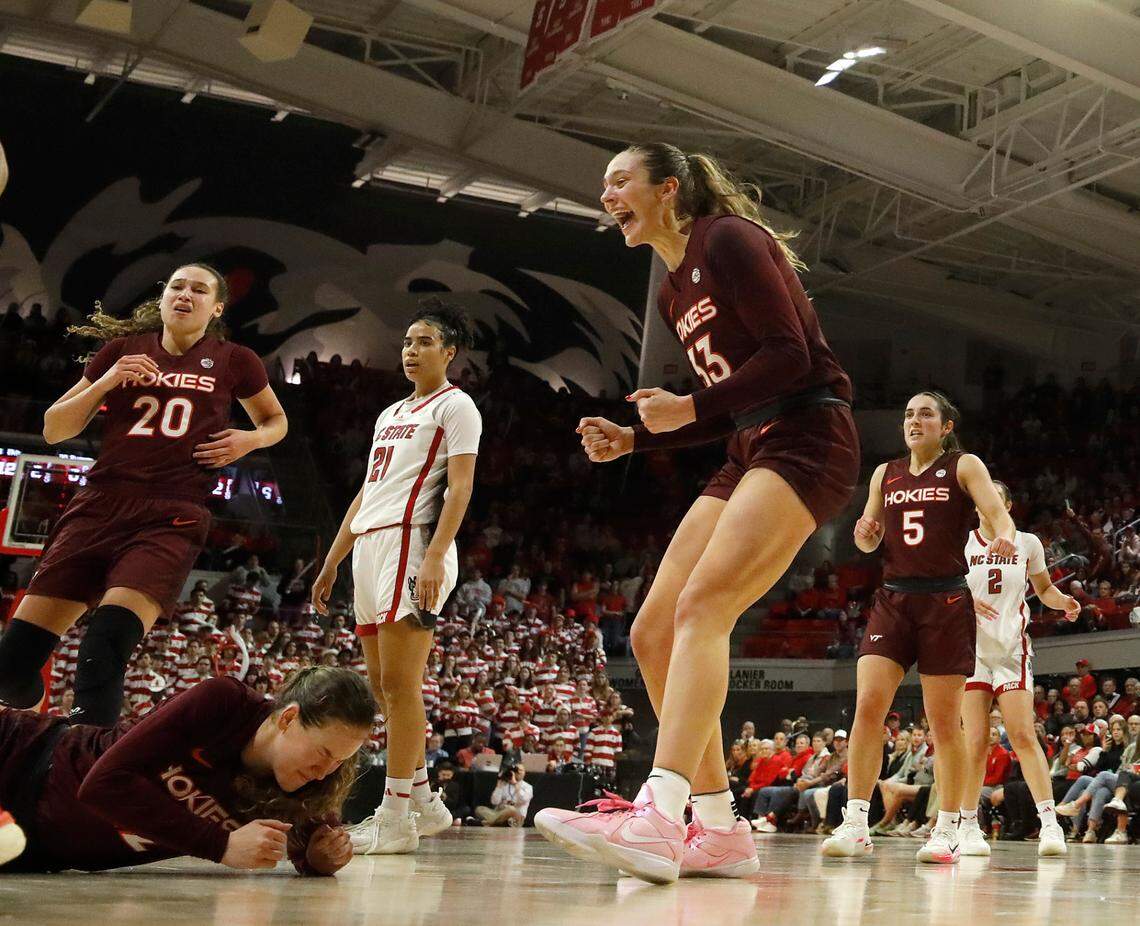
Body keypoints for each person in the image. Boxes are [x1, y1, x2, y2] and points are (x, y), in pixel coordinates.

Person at [536, 143, 859, 885]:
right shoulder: (670, 292)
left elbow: (789, 357)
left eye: (619, 180)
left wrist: (684, 408)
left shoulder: (730, 239)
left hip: (808, 429)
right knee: (652, 631)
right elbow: (728, 402)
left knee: (705, 606)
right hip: (751, 443)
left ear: (668, 189)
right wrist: (642, 435)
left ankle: (660, 810)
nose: (606, 195)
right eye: (602, 184)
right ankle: (718, 830)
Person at [0, 264, 287, 727]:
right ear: (163, 298)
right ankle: (32, 719)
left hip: (171, 513)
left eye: (199, 290)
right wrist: (108, 381)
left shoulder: (235, 359)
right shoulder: (122, 351)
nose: (185, 294)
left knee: (104, 644)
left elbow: (276, 422)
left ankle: (85, 772)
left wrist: (249, 439)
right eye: (177, 286)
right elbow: (54, 429)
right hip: (98, 505)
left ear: (215, 308)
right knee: (10, 668)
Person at [312, 298, 481, 856]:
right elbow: (367, 492)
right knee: (386, 689)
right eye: (407, 342)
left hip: (414, 542)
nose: (411, 351)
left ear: (449, 352)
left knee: (401, 686)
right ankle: (426, 801)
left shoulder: (457, 408)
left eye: (425, 342)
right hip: (371, 542)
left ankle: (396, 817)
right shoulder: (389, 414)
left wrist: (436, 555)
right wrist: (335, 556)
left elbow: (459, 488)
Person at [822, 391, 1016, 865]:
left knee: (945, 723)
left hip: (946, 600)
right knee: (868, 706)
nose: (915, 420)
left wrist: (1006, 540)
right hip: (893, 597)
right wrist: (865, 536)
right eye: (908, 413)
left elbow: (999, 517)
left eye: (926, 414)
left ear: (946, 426)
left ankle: (946, 828)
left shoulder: (964, 465)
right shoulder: (884, 473)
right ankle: (855, 823)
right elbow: (869, 537)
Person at [0, 667, 374, 873]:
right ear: (289, 718)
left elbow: (310, 852)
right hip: (20, 755)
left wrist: (321, 859)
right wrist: (220, 844)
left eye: (341, 760)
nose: (326, 770)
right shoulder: (222, 703)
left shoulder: (308, 786)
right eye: (323, 752)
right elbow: (103, 784)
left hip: (38, 853)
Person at [958, 481, 1080, 858]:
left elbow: (1043, 590)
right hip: (971, 652)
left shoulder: (1027, 543)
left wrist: (1063, 602)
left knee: (1023, 736)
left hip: (1011, 649)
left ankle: (1050, 825)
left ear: (1007, 504)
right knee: (974, 743)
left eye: (996, 497)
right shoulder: (961, 543)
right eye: (983, 497)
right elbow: (942, 592)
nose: (988, 503)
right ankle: (966, 826)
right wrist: (964, 603)